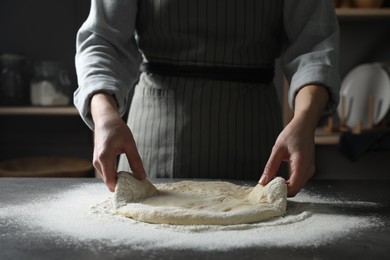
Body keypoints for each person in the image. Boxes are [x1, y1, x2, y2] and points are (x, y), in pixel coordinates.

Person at [74, 0, 340, 197]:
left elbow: (314, 46)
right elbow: (103, 40)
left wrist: (305, 120)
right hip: (153, 144)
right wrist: (104, 115)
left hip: (255, 141)